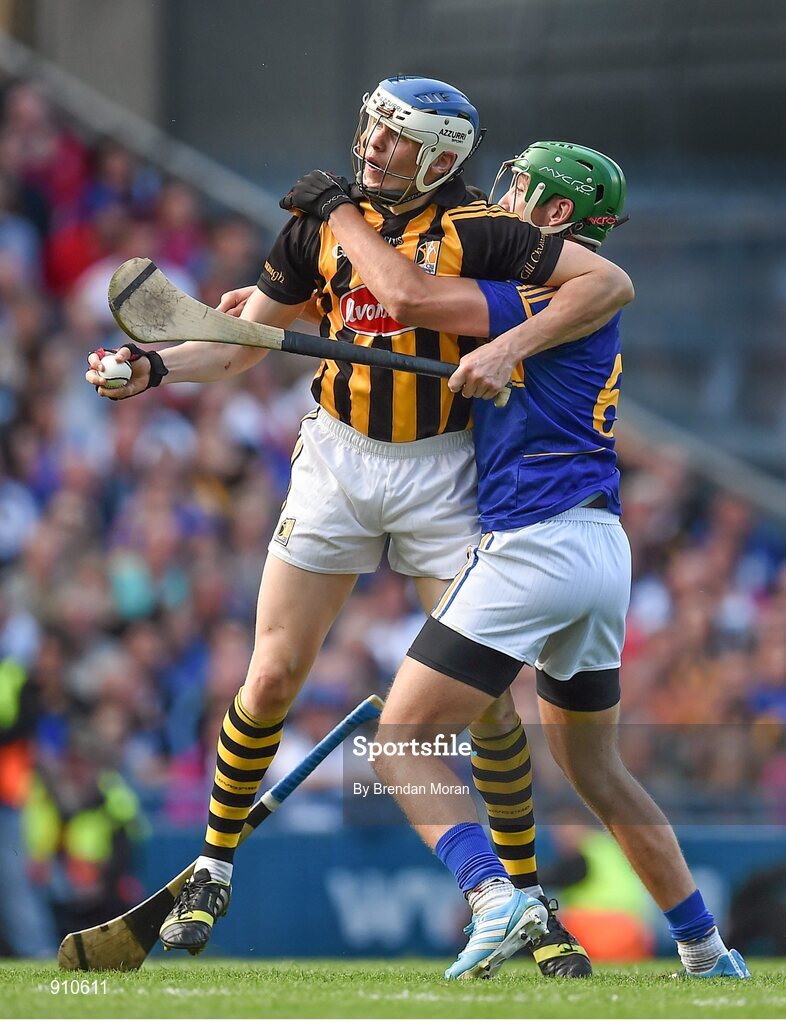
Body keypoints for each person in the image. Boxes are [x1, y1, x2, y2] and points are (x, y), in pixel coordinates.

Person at [86, 76, 632, 962]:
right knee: (272, 675)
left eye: (398, 136)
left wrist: (506, 344)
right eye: (374, 127)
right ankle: (213, 870)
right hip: (337, 463)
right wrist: (155, 369)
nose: (375, 145)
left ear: (441, 157)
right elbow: (241, 348)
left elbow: (603, 284)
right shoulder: (314, 230)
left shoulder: (485, 233)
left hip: (445, 471)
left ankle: (524, 900)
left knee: (487, 704)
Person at [281, 142, 750, 980]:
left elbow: (407, 294)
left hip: (533, 545)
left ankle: (493, 894)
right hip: (601, 552)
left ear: (558, 214)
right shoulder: (554, 298)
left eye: (520, 188)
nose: (501, 197)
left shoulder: (524, 293)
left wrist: (340, 216)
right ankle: (706, 949)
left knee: (400, 743)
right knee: (597, 769)